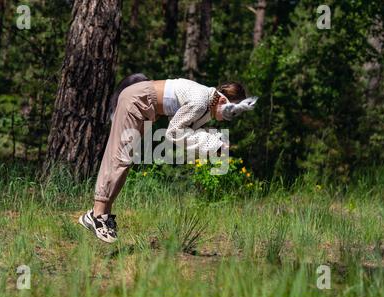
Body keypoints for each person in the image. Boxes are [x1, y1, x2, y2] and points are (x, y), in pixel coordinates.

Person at [79, 74, 258, 243]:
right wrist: (213, 144)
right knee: (119, 158)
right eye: (231, 113)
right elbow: (174, 132)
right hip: (137, 100)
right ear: (222, 100)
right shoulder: (201, 102)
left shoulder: (206, 105)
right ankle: (96, 215)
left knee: (126, 160)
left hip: (144, 105)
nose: (229, 119)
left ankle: (103, 214)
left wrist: (213, 144)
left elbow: (187, 131)